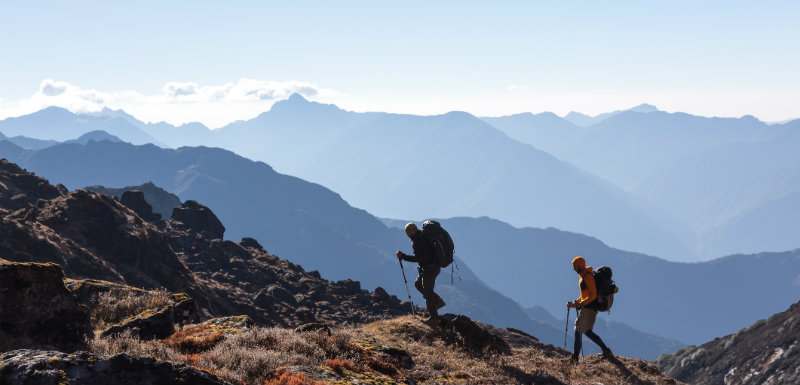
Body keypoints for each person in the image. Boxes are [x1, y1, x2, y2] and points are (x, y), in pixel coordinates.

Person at [566, 256, 613, 363]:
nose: (574, 269)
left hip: (590, 308)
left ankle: (575, 358)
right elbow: (584, 295)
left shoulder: (588, 277)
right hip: (587, 307)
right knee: (584, 331)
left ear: (580, 266)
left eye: (575, 266)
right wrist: (575, 303)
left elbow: (593, 295)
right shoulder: (582, 277)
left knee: (580, 330)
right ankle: (604, 349)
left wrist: (580, 304)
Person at [396, 222, 445, 324]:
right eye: (407, 232)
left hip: (430, 269)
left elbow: (420, 258)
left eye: (408, 232)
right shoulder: (421, 237)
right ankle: (437, 302)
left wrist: (404, 257)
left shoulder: (418, 241)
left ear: (412, 231)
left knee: (427, 293)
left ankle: (434, 317)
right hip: (431, 267)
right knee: (418, 284)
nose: (408, 234)